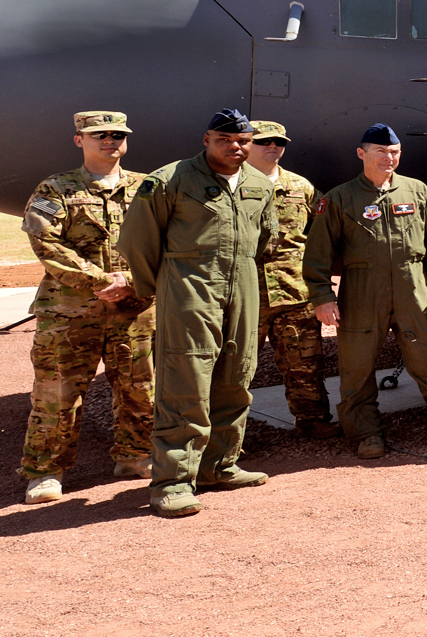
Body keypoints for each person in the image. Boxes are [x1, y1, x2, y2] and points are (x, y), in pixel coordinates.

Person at [117, 110, 282, 516]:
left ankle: (219, 466)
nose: (235, 147)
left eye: (243, 140)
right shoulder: (169, 179)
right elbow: (138, 241)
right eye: (225, 139)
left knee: (237, 375)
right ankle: (172, 482)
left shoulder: (259, 183)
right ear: (207, 138)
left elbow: (267, 238)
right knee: (185, 381)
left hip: (242, 281)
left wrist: (241, 271)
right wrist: (161, 288)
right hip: (189, 284)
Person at [305, 123, 427, 460]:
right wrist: (323, 296)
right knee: (357, 367)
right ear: (361, 153)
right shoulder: (339, 198)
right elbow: (318, 252)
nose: (388, 157)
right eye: (380, 151)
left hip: (413, 287)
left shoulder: (416, 191)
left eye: (394, 152)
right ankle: (366, 434)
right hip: (362, 289)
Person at [19, 111, 155, 503]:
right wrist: (101, 281)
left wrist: (131, 280)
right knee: (57, 392)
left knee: (140, 386)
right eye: (99, 134)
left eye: (117, 134)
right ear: (80, 140)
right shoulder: (56, 188)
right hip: (69, 311)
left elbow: (164, 239)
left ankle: (136, 454)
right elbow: (46, 243)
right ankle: (45, 471)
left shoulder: (147, 187)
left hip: (136, 306)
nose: (109, 140)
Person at [242, 120, 332, 436]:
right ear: (247, 144)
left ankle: (312, 420)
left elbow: (324, 228)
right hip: (245, 295)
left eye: (279, 142)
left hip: (294, 292)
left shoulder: (300, 187)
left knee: (304, 363)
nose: (273, 147)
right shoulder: (230, 186)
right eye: (264, 141)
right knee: (234, 368)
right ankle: (225, 435)